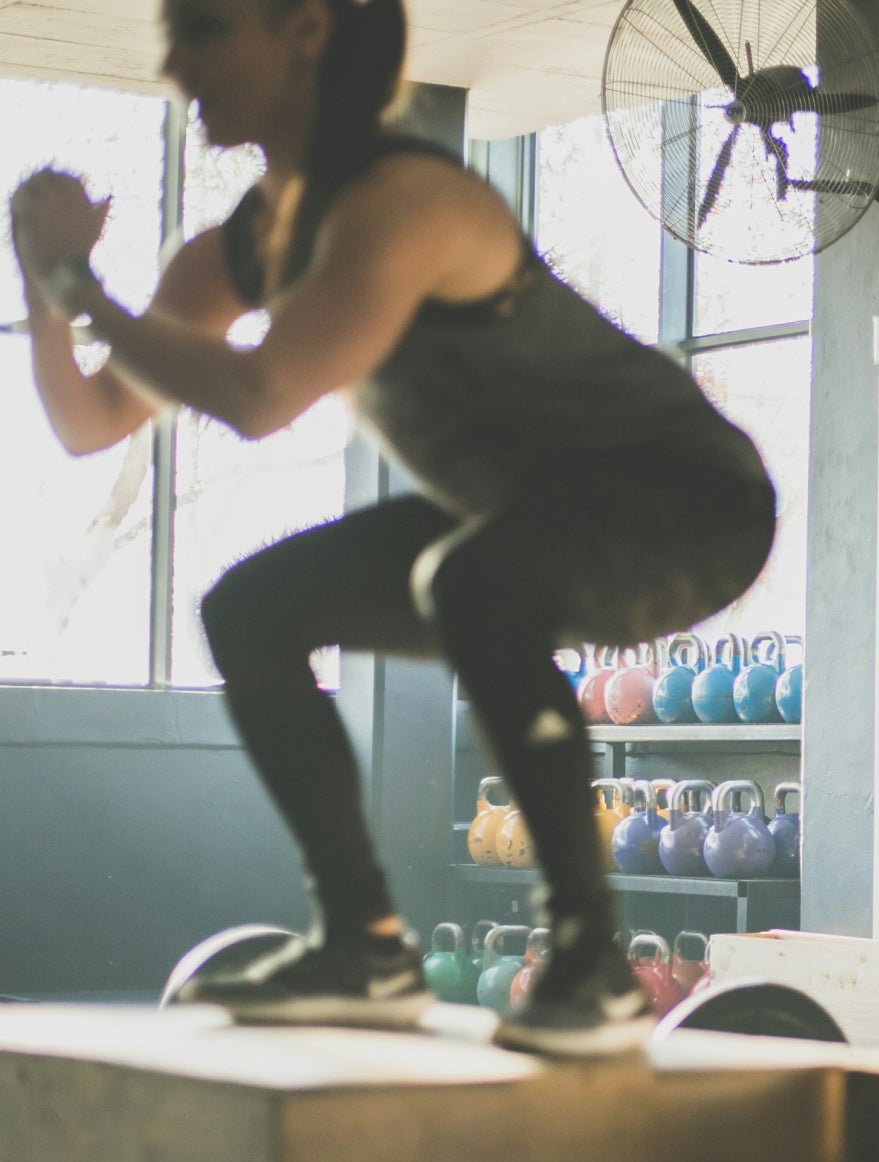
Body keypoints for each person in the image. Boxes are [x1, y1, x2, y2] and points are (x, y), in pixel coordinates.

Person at [8, 0, 776, 1056]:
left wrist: (78, 282)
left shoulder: (408, 200)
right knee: (251, 609)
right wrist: (47, 290)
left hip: (686, 500)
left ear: (306, 28)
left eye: (207, 28)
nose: (175, 63)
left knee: (471, 585)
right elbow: (91, 422)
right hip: (519, 514)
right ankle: (365, 945)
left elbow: (258, 393)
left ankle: (593, 965)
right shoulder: (234, 251)